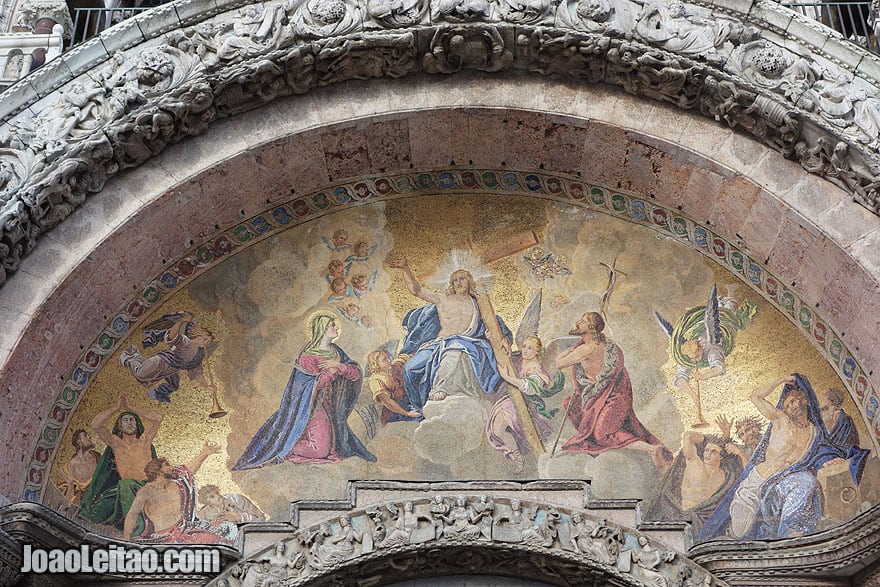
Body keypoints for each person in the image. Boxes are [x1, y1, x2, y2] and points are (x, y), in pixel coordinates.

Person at [696, 374, 850, 542]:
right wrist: (781, 381)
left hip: (784, 481)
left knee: (806, 481)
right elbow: (755, 397)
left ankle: (791, 532)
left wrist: (828, 460)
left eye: (793, 401)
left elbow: (820, 453)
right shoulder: (781, 420)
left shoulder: (814, 432)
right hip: (758, 481)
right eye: (787, 405)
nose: (791, 407)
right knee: (739, 532)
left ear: (804, 400)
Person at [232, 313, 376, 470]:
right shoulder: (307, 356)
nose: (336, 328)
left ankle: (289, 442)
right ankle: (285, 447)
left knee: (336, 447)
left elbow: (355, 374)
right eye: (331, 325)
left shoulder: (336, 352)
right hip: (310, 408)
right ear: (322, 330)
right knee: (320, 450)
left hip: (331, 407)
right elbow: (308, 386)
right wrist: (332, 372)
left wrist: (341, 366)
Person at [387, 253, 512, 408]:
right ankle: (419, 406)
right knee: (410, 368)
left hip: (464, 343)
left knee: (453, 352)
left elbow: (495, 323)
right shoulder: (443, 299)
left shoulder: (479, 304)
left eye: (462, 278)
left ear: (470, 281)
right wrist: (405, 268)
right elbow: (416, 290)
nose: (458, 283)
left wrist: (504, 338)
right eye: (455, 280)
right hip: (438, 344)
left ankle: (439, 388)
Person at [555, 312, 670, 464]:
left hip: (611, 398)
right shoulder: (603, 343)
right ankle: (595, 441)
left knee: (602, 434)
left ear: (590, 328)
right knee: (570, 403)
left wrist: (570, 350)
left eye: (582, 321)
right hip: (599, 396)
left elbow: (559, 363)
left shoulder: (586, 349)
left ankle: (651, 449)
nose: (577, 323)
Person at [123, 442, 236, 545]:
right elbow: (132, 514)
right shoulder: (146, 491)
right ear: (158, 471)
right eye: (167, 465)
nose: (171, 468)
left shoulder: (178, 482)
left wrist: (205, 453)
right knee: (210, 540)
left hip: (186, 529)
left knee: (228, 529)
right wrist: (126, 539)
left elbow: (189, 470)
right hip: (165, 536)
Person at [79, 394, 161, 534]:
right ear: (119, 426)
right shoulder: (116, 444)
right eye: (125, 420)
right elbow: (95, 424)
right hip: (124, 489)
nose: (129, 423)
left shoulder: (144, 440)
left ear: (137, 424)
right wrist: (116, 408)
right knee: (98, 510)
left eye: (132, 420)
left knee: (126, 484)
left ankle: (137, 528)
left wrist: (131, 408)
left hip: (146, 485)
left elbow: (158, 418)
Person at [486, 336, 563, 473]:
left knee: (500, 428)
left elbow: (530, 387)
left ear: (537, 352)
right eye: (524, 346)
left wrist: (507, 378)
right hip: (508, 401)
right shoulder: (521, 360)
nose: (525, 351)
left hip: (523, 405)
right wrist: (493, 339)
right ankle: (517, 457)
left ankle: (519, 458)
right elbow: (508, 359)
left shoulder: (536, 369)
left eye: (530, 348)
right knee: (497, 431)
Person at [645, 429, 742, 531]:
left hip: (704, 523)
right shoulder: (694, 463)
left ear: (721, 456)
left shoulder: (726, 476)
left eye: (713, 452)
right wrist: (708, 439)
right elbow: (688, 435)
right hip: (683, 517)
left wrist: (737, 451)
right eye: (706, 450)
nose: (708, 454)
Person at [119, 312, 217, 403]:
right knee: (140, 374)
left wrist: (207, 386)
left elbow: (197, 374)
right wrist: (180, 321)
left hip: (170, 370)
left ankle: (157, 393)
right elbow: (172, 336)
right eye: (205, 339)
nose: (206, 343)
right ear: (198, 336)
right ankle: (129, 356)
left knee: (148, 382)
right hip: (162, 362)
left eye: (208, 342)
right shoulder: (186, 342)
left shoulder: (197, 355)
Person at [366, 349, 421, 424]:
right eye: (384, 359)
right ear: (375, 363)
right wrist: (407, 413)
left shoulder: (394, 367)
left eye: (388, 358)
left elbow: (404, 358)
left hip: (409, 401)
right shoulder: (375, 380)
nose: (389, 360)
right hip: (395, 411)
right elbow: (387, 401)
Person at [60, 429, 101, 505]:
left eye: (88, 435)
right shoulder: (72, 465)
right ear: (79, 442)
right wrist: (70, 483)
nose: (89, 437)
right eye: (85, 436)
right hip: (86, 501)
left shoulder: (97, 456)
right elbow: (71, 494)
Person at [198, 485, 266, 523]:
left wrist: (238, 516)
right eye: (212, 496)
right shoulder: (204, 516)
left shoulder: (235, 499)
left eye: (217, 493)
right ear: (206, 502)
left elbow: (261, 519)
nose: (218, 497)